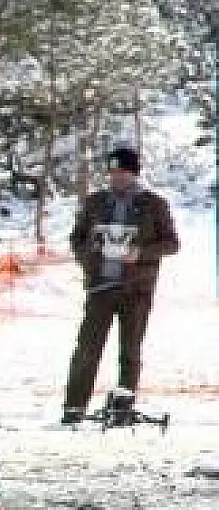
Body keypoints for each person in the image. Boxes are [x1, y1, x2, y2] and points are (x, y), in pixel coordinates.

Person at [61, 145, 180, 424]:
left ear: (134, 174)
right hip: (101, 286)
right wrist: (89, 256)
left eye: (123, 172)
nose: (117, 178)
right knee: (87, 348)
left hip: (136, 289)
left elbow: (171, 243)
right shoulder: (94, 202)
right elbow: (76, 238)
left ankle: (123, 406)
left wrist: (140, 253)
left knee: (130, 349)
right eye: (113, 172)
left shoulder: (154, 204)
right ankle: (74, 407)